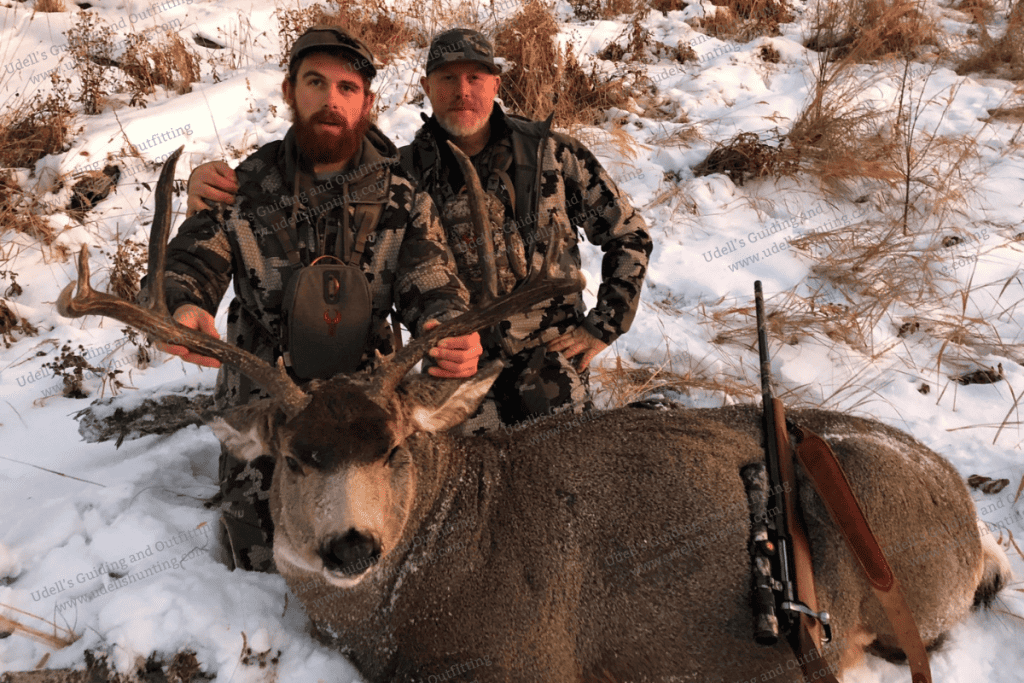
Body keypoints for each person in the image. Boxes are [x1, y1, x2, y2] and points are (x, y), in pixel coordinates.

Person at [186, 28, 652, 434]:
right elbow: (315, 188)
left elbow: (628, 235)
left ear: (495, 82)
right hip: (452, 366)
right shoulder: (400, 176)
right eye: (447, 78)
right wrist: (209, 189)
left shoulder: (554, 155)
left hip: (550, 360)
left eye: (475, 77)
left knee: (562, 470)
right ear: (427, 87)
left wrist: (603, 327)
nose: (462, 90)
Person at [160, 26, 482, 571]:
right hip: (271, 408)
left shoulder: (401, 196)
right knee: (263, 562)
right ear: (289, 91)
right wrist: (184, 307)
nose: (331, 100)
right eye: (315, 82)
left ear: (367, 102)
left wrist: (449, 328)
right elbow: (191, 264)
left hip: (370, 403)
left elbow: (430, 280)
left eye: (347, 88)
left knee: (413, 549)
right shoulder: (241, 189)